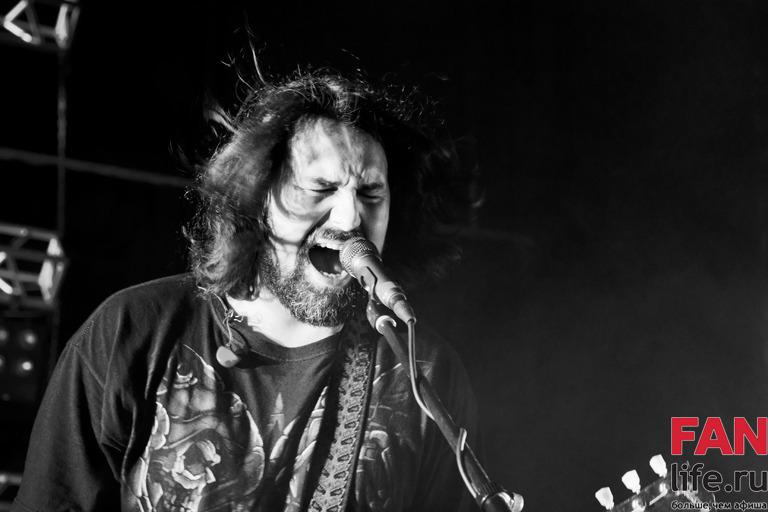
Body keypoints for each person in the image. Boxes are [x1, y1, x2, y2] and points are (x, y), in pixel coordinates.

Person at [13, 68, 480, 512]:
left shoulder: (424, 377)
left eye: (371, 194)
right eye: (321, 188)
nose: (349, 217)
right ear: (260, 197)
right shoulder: (131, 332)